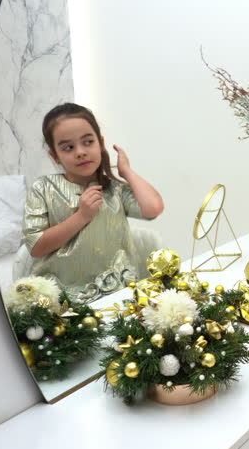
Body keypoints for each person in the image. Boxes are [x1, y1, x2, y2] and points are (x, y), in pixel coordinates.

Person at [21, 103, 164, 302]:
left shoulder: (113, 189)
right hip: (65, 300)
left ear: (100, 143)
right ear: (55, 155)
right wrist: (82, 216)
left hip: (118, 293)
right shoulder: (43, 188)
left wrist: (127, 172)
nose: (80, 152)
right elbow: (36, 246)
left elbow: (153, 208)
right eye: (68, 147)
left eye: (88, 142)